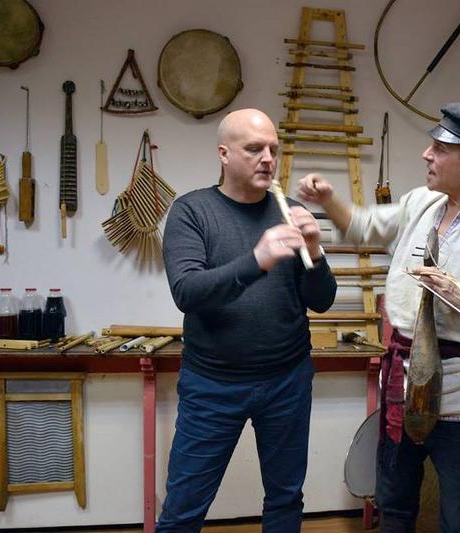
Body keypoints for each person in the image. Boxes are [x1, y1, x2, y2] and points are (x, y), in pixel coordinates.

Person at [297, 102, 460, 532]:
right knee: (393, 506)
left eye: (440, 149)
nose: (426, 154)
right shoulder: (421, 202)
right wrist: (328, 200)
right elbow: (362, 226)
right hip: (401, 384)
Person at [158, 108, 337, 532]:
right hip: (212, 385)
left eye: (273, 149)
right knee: (184, 508)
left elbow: (323, 301)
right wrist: (257, 260)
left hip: (287, 380)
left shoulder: (289, 210)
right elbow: (187, 292)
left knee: (286, 498)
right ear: (224, 153)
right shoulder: (192, 211)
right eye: (254, 149)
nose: (268, 159)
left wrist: (314, 251)